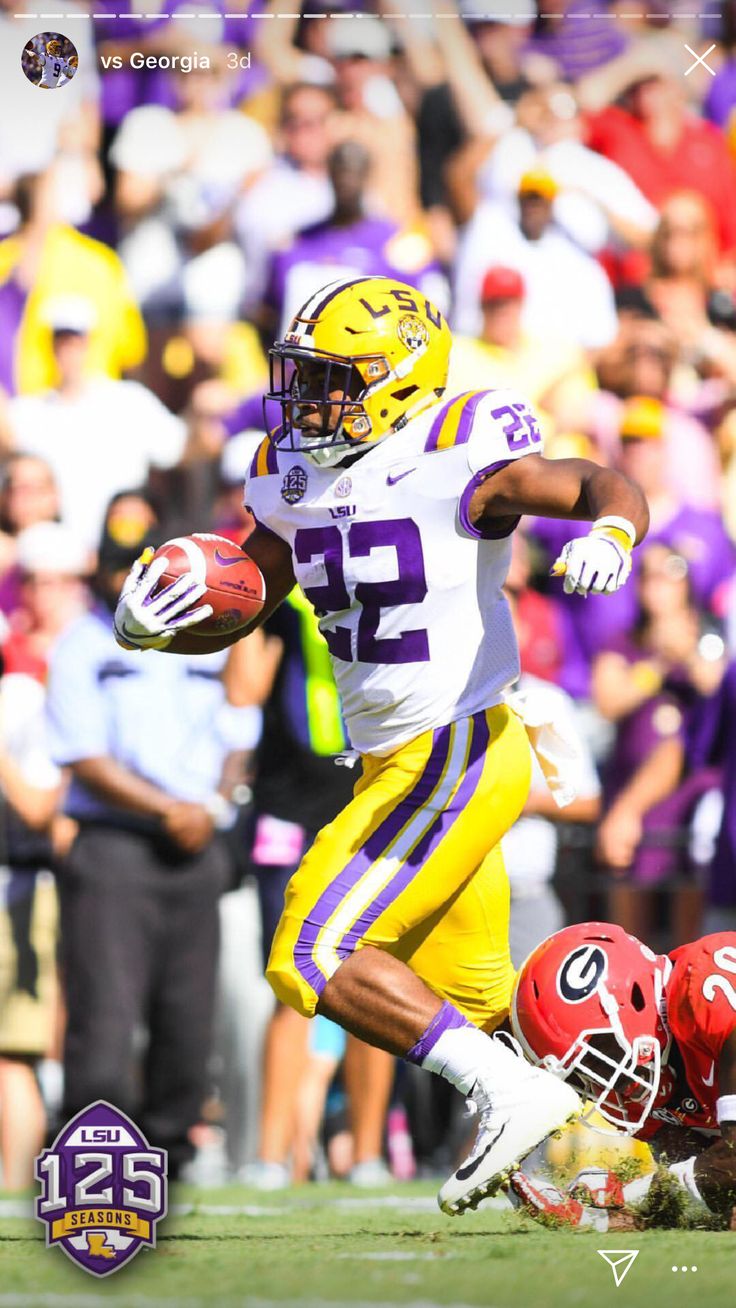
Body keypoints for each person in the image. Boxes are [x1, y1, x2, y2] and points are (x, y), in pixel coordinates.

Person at [113, 274, 648, 1216]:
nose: (309, 398)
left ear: (399, 376)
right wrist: (167, 621)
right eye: (304, 376)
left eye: (333, 379)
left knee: (311, 953)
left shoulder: (458, 447)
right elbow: (254, 589)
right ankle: (639, 1173)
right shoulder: (294, 466)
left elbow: (600, 482)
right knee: (485, 1012)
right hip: (398, 760)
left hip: (456, 745)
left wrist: (613, 529)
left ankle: (513, 1099)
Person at [46, 499, 260, 1177]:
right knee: (106, 1018)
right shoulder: (84, 641)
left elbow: (239, 729)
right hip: (116, 846)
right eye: (115, 568)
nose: (120, 582)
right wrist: (172, 808)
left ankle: (170, 1152)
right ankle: (95, 1158)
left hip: (197, 845)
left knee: (186, 1021)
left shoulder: (212, 636)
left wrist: (216, 803)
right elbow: (82, 753)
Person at [232, 593, 395, 1190]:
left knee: (373, 971)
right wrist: (238, 605)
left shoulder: (377, 572)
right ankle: (271, 1155)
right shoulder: (279, 584)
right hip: (289, 807)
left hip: (370, 798)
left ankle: (369, 1153)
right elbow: (242, 690)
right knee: (289, 980)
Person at [507, 921, 736, 1227]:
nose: (603, 1082)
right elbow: (711, 1190)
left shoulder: (708, 981)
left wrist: (630, 1195)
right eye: (582, 1077)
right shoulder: (643, 1092)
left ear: (633, 1001)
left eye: (599, 1056)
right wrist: (609, 1219)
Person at [6, 295, 190, 550]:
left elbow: (179, 449)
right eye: (61, 340)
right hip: (54, 559)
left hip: (122, 550)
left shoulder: (130, 401)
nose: (68, 349)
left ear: (89, 342)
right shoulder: (26, 412)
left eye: (75, 339)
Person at [0, 639, 61, 1189]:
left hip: (18, 887)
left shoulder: (25, 694)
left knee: (12, 1051)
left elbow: (41, 809)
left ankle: (16, 1187)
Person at [452, 168, 618, 349]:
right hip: (487, 350)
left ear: (552, 204)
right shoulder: (489, 231)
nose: (533, 207)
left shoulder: (574, 257)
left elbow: (601, 337)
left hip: (554, 362)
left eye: (540, 200)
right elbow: (459, 179)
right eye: (528, 199)